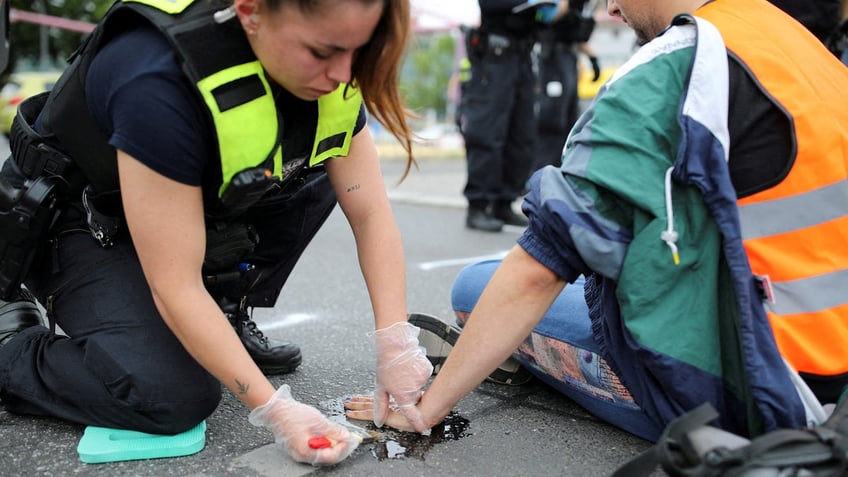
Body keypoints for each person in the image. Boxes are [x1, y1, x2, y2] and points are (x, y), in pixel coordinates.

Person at [346, 0, 848, 445]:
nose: (609, 9)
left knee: (475, 289)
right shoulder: (798, 43)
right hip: (831, 374)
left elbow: (538, 270)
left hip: (765, 402)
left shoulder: (673, 65)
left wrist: (424, 409)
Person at [0, 0, 433, 466]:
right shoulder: (157, 78)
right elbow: (175, 285)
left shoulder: (332, 68)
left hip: (180, 213)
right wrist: (274, 408)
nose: (343, 74)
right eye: (322, 51)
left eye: (358, 51)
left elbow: (369, 212)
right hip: (80, 215)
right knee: (169, 396)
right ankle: (11, 348)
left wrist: (396, 343)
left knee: (308, 174)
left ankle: (222, 315)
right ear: (251, 13)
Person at [459, 0, 556, 232]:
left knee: (522, 134)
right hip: (494, 58)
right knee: (487, 131)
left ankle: (504, 202)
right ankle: (479, 205)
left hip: (522, 55)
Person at [534, 0, 600, 172]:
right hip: (552, 61)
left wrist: (593, 58)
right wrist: (567, 4)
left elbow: (574, 35)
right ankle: (543, 173)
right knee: (552, 120)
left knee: (570, 120)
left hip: (568, 59)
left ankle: (563, 172)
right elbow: (548, 20)